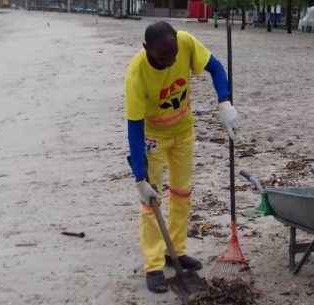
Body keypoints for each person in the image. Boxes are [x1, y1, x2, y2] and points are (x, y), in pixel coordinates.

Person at [124, 21, 237, 293]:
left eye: (174, 55)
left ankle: (176, 250)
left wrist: (225, 101)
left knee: (182, 193)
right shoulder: (136, 76)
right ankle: (153, 264)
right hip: (153, 137)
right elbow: (135, 130)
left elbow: (216, 68)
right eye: (164, 58)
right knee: (152, 201)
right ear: (146, 49)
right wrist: (140, 178)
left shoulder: (184, 42)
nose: (172, 61)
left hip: (184, 131)